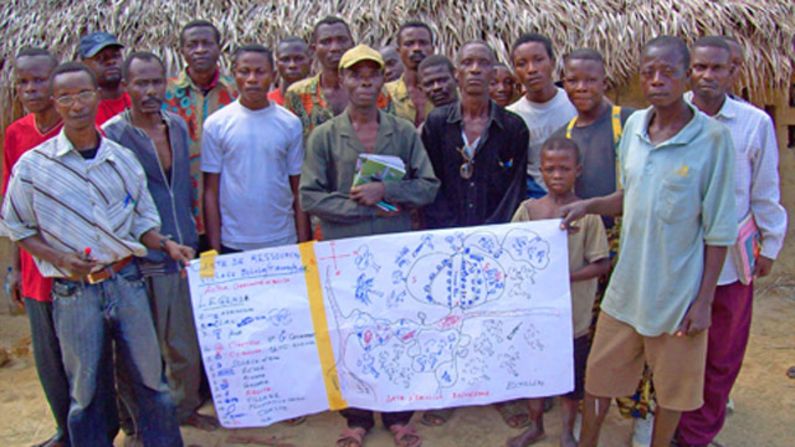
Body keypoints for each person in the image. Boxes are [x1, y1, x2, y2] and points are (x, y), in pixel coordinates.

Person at [560, 36, 738, 447]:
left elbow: (718, 231)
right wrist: (587, 205)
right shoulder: (637, 126)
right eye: (648, 72)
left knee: (672, 391)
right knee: (599, 380)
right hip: (626, 291)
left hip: (676, 297)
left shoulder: (712, 140)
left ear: (687, 75)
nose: (656, 80)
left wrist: (704, 300)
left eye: (668, 72)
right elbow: (631, 196)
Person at [1, 62, 190, 447]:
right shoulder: (35, 167)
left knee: (152, 381)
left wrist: (165, 243)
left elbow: (142, 222)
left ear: (96, 96)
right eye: (66, 97)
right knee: (84, 390)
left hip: (127, 282)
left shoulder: (121, 159)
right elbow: (17, 227)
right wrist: (59, 258)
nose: (76, 105)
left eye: (84, 94)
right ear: (55, 103)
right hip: (74, 293)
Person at [300, 45, 438, 447]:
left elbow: (427, 186)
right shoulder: (325, 135)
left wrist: (386, 189)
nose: (364, 81)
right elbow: (310, 196)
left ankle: (398, 414)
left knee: (397, 330)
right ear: (341, 80)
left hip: (393, 253)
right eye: (355, 74)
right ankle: (356, 417)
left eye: (372, 74)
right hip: (346, 251)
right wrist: (363, 207)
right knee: (351, 332)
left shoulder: (403, 132)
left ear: (382, 80)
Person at [676, 36, 786, 447]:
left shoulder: (754, 123)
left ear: (733, 71)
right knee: (675, 349)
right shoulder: (669, 116)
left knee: (722, 353)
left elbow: (764, 190)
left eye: (716, 68)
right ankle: (666, 423)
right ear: (689, 70)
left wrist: (770, 247)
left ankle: (697, 434)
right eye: (700, 67)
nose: (707, 76)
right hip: (678, 257)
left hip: (731, 263)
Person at [102, 51, 219, 432]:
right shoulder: (113, 136)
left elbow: (185, 188)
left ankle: (184, 409)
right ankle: (139, 422)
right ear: (126, 87)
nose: (150, 91)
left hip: (182, 250)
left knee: (184, 346)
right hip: (138, 257)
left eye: (156, 82)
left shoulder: (177, 127)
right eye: (141, 83)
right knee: (139, 350)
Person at [507, 137, 610, 447]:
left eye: (564, 169)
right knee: (534, 374)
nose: (556, 175)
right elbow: (510, 250)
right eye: (550, 169)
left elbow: (602, 263)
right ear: (540, 171)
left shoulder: (588, 215)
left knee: (570, 379)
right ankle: (535, 426)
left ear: (577, 170)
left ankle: (567, 430)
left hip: (573, 317)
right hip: (534, 314)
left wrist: (566, 276)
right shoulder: (528, 210)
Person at [2, 47, 68, 447]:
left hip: (77, 261)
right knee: (47, 358)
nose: (31, 89)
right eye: (23, 82)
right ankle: (64, 429)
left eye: (39, 80)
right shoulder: (16, 134)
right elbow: (12, 210)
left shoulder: (80, 126)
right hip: (34, 265)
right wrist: (13, 266)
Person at [203, 44, 310, 253]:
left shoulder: (290, 123)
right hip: (233, 242)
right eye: (244, 71)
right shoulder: (216, 124)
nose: (252, 79)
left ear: (273, 75)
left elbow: (298, 188)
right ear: (234, 74)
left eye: (260, 72)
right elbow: (210, 191)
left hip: (282, 239)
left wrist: (304, 247)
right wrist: (214, 251)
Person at [164, 19, 237, 238]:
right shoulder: (165, 93)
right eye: (192, 45)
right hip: (182, 202)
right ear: (182, 51)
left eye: (207, 43)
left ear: (219, 48)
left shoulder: (235, 91)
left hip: (230, 203)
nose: (200, 50)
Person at [285, 16, 393, 141]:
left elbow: (390, 138)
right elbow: (289, 143)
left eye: (341, 40)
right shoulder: (298, 95)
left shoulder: (376, 92)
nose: (335, 47)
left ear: (352, 45)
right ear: (313, 49)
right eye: (326, 42)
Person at [508, 33, 576, 198]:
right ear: (515, 71)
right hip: (536, 204)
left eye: (538, 60)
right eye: (522, 64)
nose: (531, 69)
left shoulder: (576, 103)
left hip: (580, 200)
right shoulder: (511, 117)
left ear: (552, 62)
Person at [385, 21, 434, 126]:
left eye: (423, 43)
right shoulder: (385, 93)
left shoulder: (449, 93)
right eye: (409, 44)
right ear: (398, 51)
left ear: (432, 50)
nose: (417, 48)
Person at [78, 31, 131, 124]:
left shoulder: (138, 100)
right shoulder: (82, 111)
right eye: (101, 58)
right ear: (84, 65)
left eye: (115, 56)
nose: (111, 62)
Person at [269, 36, 312, 106]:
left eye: (299, 59)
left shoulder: (323, 101)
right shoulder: (267, 103)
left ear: (310, 62)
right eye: (285, 59)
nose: (292, 65)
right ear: (277, 64)